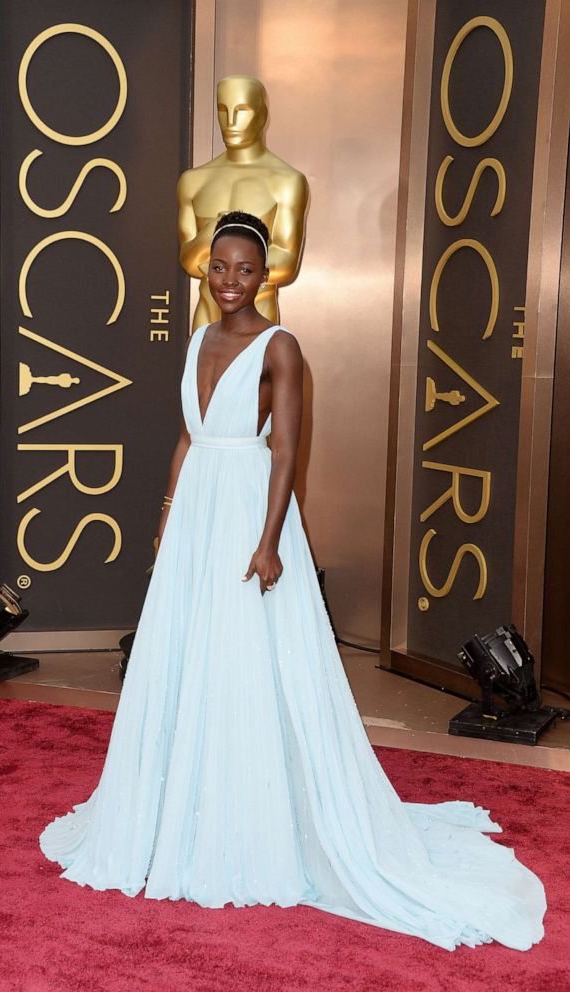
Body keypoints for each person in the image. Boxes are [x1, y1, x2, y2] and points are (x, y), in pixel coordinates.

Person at [40, 211, 546, 953]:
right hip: (197, 516)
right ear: (203, 268)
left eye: (245, 269)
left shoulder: (281, 347)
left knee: (249, 655)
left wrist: (272, 541)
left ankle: (252, 812)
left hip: (249, 507)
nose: (230, 282)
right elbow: (187, 434)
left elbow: (284, 455)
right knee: (190, 652)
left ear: (266, 274)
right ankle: (178, 801)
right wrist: (166, 514)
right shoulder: (197, 340)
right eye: (219, 267)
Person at [177, 75, 309, 329]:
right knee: (201, 368)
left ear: (262, 114)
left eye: (242, 111)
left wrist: (218, 259)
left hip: (258, 315)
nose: (231, 122)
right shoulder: (193, 181)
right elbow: (189, 262)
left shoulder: (287, 181)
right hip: (207, 315)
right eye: (223, 110)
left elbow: (286, 263)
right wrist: (210, 233)